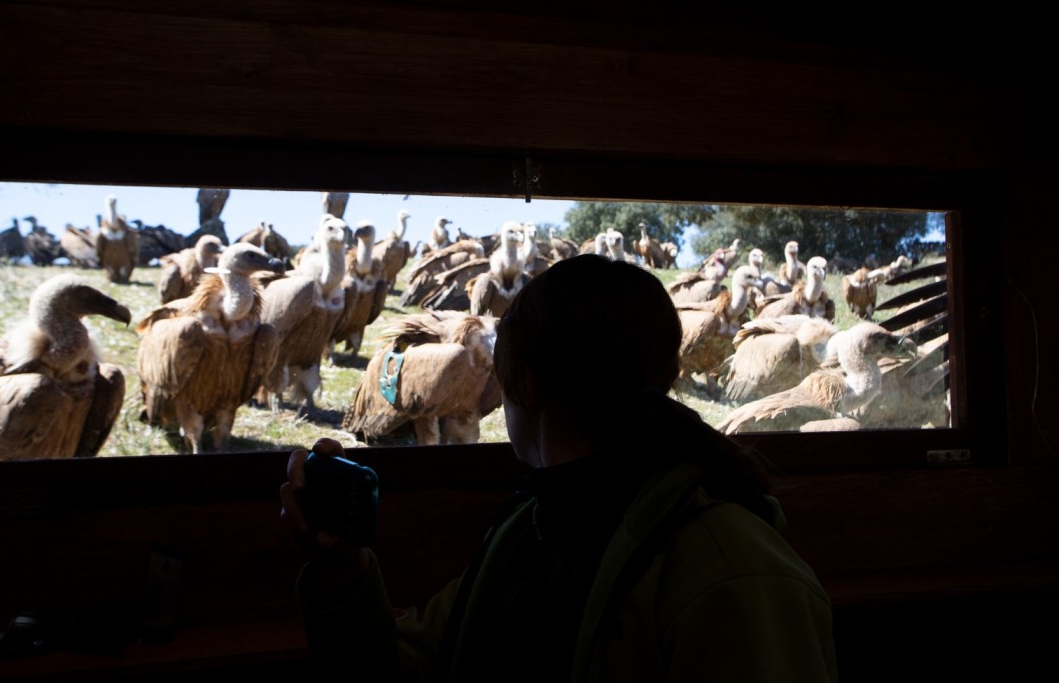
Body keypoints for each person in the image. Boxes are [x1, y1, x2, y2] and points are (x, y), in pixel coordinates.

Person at [280, 253, 838, 682]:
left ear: (522, 384)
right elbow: (414, 670)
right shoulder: (532, 527)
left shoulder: (733, 575)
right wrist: (343, 572)